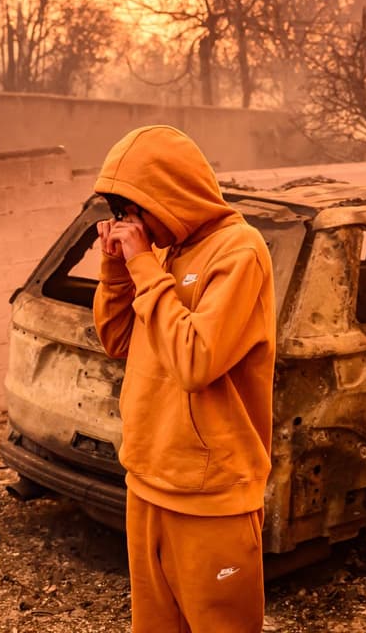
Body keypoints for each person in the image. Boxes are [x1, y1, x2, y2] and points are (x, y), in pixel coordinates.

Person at [93, 126, 276, 632]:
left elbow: (196, 361)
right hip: (147, 481)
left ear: (169, 195)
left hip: (211, 499)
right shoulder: (165, 251)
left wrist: (144, 266)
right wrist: (117, 270)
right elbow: (117, 341)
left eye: (133, 211)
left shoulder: (239, 251)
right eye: (120, 214)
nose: (130, 226)